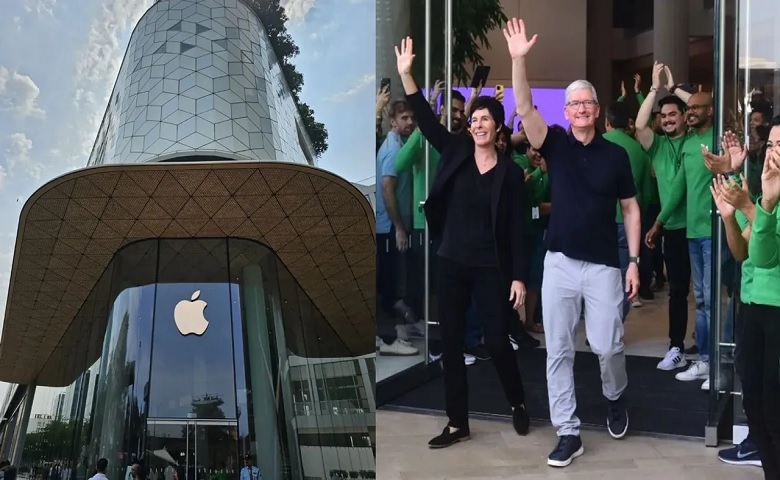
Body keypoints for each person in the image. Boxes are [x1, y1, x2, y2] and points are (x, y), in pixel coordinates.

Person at [504, 18, 640, 468]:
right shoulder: (555, 145)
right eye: (573, 103)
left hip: (603, 266)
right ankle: (568, 431)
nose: (581, 109)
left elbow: (631, 209)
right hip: (559, 263)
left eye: (587, 103)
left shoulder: (616, 155)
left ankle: (615, 395)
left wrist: (634, 260)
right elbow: (523, 106)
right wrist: (518, 60)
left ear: (597, 111)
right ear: (565, 112)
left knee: (607, 346)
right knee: (557, 350)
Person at [394, 35, 531, 449]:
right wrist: (406, 75)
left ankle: (517, 401)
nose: (478, 125)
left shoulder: (510, 174)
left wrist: (519, 278)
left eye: (485, 119)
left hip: (491, 268)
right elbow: (426, 118)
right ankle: (457, 422)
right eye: (474, 120)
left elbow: (518, 230)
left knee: (494, 341)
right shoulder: (454, 149)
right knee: (450, 343)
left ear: (498, 126)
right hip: (451, 261)